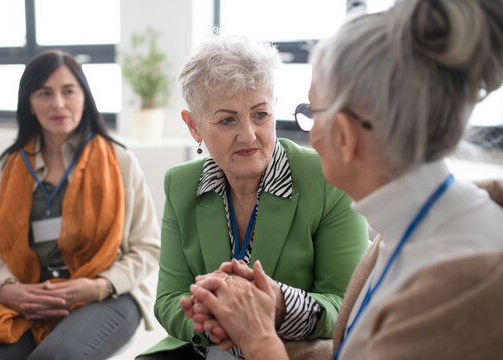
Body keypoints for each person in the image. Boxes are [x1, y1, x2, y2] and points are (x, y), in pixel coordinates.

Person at [188, 0, 503, 359]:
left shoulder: (466, 282)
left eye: (311, 113)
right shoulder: (409, 232)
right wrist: (276, 306)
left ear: (344, 134)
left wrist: (260, 338)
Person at [138, 35, 368, 360]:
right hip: (207, 348)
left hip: (290, 347)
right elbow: (168, 298)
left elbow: (347, 304)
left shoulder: (327, 178)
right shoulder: (182, 183)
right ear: (194, 127)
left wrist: (280, 305)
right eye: (227, 119)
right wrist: (213, 323)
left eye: (260, 115)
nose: (248, 135)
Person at [0, 50, 161, 360]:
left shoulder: (119, 161)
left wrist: (99, 286)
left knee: (56, 356)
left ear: (84, 96)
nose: (58, 103)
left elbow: (148, 247)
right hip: (29, 294)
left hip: (108, 293)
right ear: (29, 102)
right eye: (44, 93)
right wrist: (5, 289)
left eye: (68, 91)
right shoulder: (9, 166)